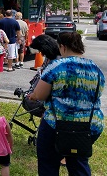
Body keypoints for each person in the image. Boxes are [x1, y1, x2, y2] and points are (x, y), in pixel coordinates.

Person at [28, 32, 105, 176]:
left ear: (62, 47)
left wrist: (33, 96)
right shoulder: (95, 68)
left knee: (48, 164)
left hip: (56, 125)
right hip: (89, 126)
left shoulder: (57, 65)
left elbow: (40, 94)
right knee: (78, 164)